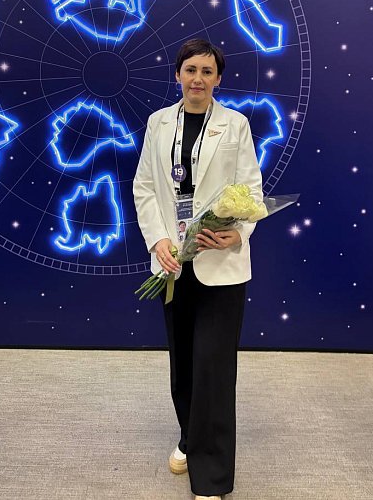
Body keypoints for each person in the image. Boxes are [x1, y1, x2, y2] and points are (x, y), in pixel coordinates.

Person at [133, 38, 263, 499]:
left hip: (219, 263)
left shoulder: (236, 124)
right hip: (173, 262)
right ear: (178, 75)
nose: (198, 79)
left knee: (213, 367)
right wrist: (158, 240)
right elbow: (145, 187)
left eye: (207, 72)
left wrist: (239, 233)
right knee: (184, 364)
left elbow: (251, 190)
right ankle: (190, 436)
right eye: (190, 70)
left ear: (218, 79)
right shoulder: (158, 123)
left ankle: (211, 478)